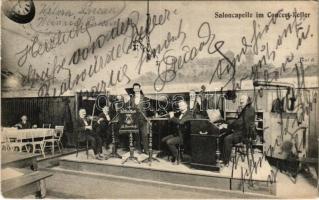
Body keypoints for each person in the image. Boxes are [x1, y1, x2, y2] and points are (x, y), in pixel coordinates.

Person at [223, 95, 255, 165]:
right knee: (228, 133)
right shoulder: (249, 108)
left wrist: (229, 125)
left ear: (247, 101)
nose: (241, 102)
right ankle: (225, 156)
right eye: (240, 101)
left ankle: (225, 161)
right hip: (246, 133)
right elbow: (240, 121)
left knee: (226, 139)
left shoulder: (247, 110)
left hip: (244, 135)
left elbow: (240, 122)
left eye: (242, 101)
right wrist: (231, 124)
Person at [127, 83, 155, 154]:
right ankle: (139, 150)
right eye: (135, 88)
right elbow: (128, 107)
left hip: (143, 119)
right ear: (133, 89)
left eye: (137, 88)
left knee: (144, 135)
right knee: (137, 135)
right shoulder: (131, 99)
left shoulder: (144, 98)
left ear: (140, 89)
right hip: (135, 119)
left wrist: (154, 113)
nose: (136, 89)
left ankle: (146, 150)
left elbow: (150, 107)